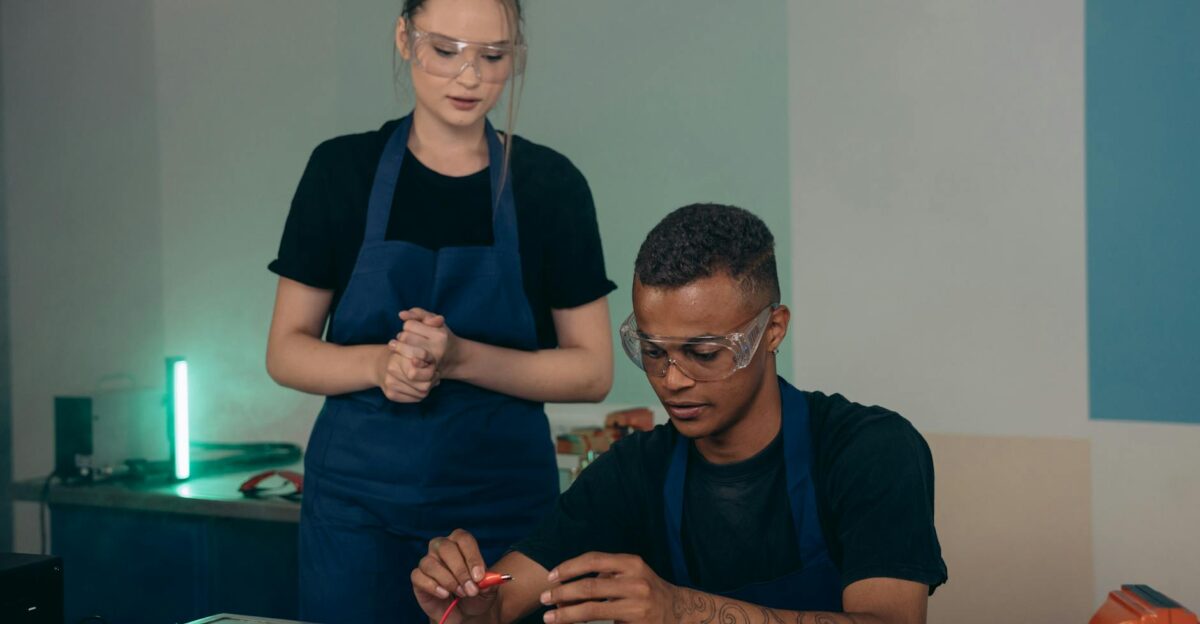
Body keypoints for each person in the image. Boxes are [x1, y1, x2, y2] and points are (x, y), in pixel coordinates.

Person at [411, 203, 947, 624]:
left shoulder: (870, 451)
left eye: (704, 353)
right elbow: (500, 604)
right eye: (653, 350)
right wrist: (468, 605)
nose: (672, 379)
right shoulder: (632, 474)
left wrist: (683, 611)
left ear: (773, 331)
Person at [264, 0, 616, 620]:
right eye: (446, 50)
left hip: (502, 508)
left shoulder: (550, 186)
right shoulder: (340, 172)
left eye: (493, 56)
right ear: (405, 37)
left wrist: (459, 359)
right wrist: (381, 365)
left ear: (517, 56)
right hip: (357, 511)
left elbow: (591, 372)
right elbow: (286, 350)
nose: (470, 77)